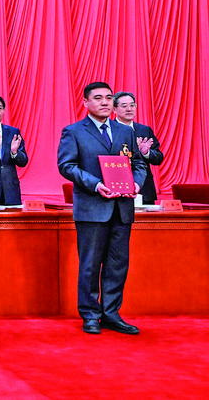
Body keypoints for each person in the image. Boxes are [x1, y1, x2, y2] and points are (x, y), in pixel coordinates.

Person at [58, 81, 146, 335]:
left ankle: (111, 314)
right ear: (86, 102)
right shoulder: (74, 131)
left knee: (118, 264)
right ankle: (90, 314)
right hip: (92, 207)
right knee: (90, 264)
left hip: (122, 207)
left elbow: (138, 164)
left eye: (108, 98)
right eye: (98, 98)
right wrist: (96, 185)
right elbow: (66, 166)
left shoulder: (125, 131)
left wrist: (136, 184)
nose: (105, 102)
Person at [112, 91, 163, 204]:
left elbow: (158, 158)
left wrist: (146, 153)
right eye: (124, 106)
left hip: (144, 190)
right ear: (114, 109)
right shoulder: (108, 130)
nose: (129, 109)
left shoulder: (144, 130)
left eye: (132, 105)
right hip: (116, 188)